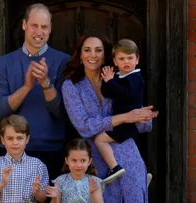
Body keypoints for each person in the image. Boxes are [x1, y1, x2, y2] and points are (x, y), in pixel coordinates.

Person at [61, 34, 156, 203]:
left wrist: (143, 118)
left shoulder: (120, 79)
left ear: (105, 56)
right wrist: (124, 118)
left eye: (98, 50)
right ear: (80, 56)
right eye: (87, 50)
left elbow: (142, 121)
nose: (93, 55)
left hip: (128, 154)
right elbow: (83, 126)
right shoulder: (71, 86)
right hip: (95, 159)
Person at [0, 3, 70, 182]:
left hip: (52, 152)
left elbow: (61, 113)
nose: (39, 32)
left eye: (44, 27)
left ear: (50, 29)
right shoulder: (4, 63)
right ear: (24, 25)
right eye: (34, 25)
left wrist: (45, 83)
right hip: (12, 152)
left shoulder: (64, 62)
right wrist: (26, 87)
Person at [94, 39, 158, 184]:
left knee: (100, 140)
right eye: (121, 59)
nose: (126, 62)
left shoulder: (136, 78)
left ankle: (114, 168)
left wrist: (110, 81)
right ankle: (141, 176)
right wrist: (106, 81)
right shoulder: (120, 77)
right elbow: (109, 93)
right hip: (123, 121)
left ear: (137, 59)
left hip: (127, 123)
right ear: (115, 62)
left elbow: (124, 94)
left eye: (130, 58)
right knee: (131, 149)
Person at [0, 115, 49, 203]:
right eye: (10, 138)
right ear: (2, 140)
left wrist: (37, 192)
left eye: (19, 138)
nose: (15, 143)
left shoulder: (38, 165)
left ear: (27, 139)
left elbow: (44, 199)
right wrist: (2, 184)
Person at [44, 138, 104, 203]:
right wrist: (55, 198)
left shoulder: (95, 182)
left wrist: (92, 193)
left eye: (83, 160)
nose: (78, 165)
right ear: (67, 161)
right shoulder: (60, 181)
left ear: (89, 161)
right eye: (74, 160)